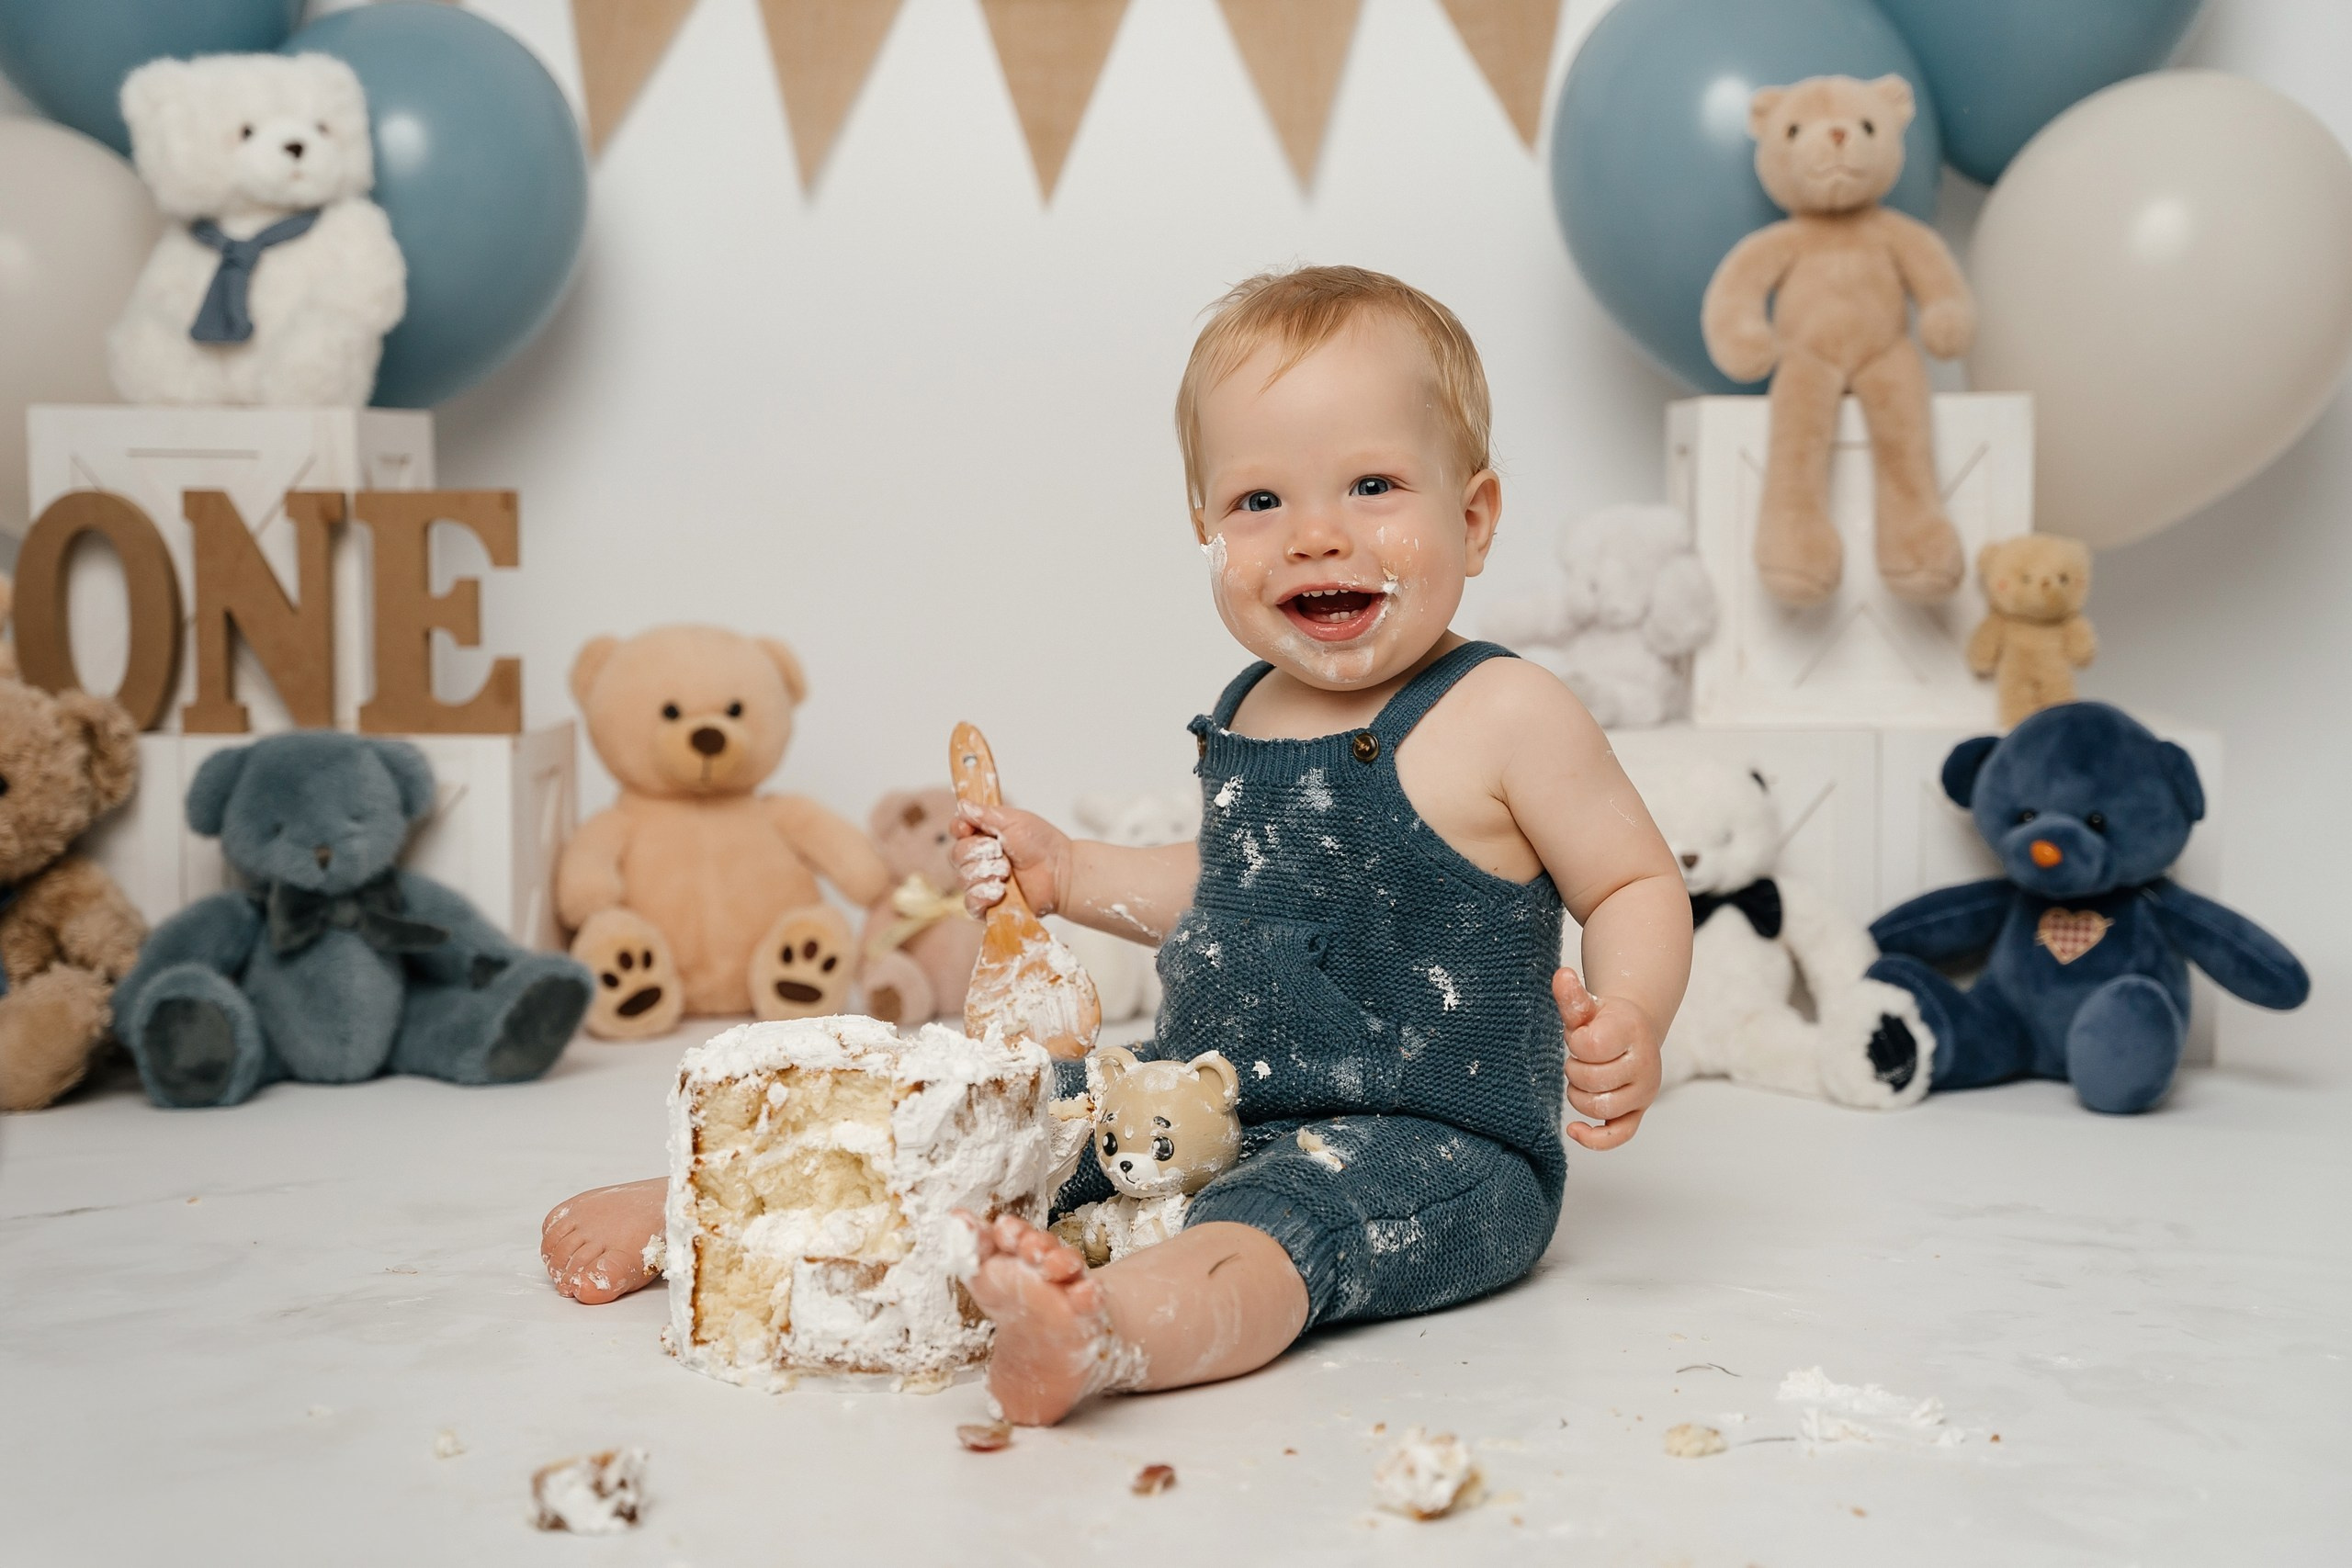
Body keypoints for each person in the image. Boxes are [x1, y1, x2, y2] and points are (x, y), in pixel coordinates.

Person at [540, 266, 1691, 1430]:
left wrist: (1631, 1013)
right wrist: (1072, 873)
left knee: (1285, 1228)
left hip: (1429, 1140)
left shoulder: (1507, 713)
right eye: (1258, 503)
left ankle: (1113, 1330)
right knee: (1003, 1109)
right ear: (1203, 528)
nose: (1315, 535)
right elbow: (1237, 887)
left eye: (1373, 485)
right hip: (1195, 1097)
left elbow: (1636, 879)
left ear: (1475, 516)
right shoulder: (1251, 708)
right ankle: (722, 1206)